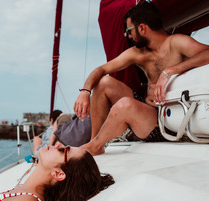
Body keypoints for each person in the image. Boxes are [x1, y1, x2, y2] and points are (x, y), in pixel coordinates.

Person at [74, 1, 209, 155]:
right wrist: (85, 91)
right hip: (147, 114)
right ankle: (94, 144)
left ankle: (93, 146)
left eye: (129, 31)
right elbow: (102, 69)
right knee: (103, 83)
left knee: (125, 105)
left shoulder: (177, 43)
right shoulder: (139, 53)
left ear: (142, 28)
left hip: (167, 124)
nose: (128, 36)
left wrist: (170, 71)